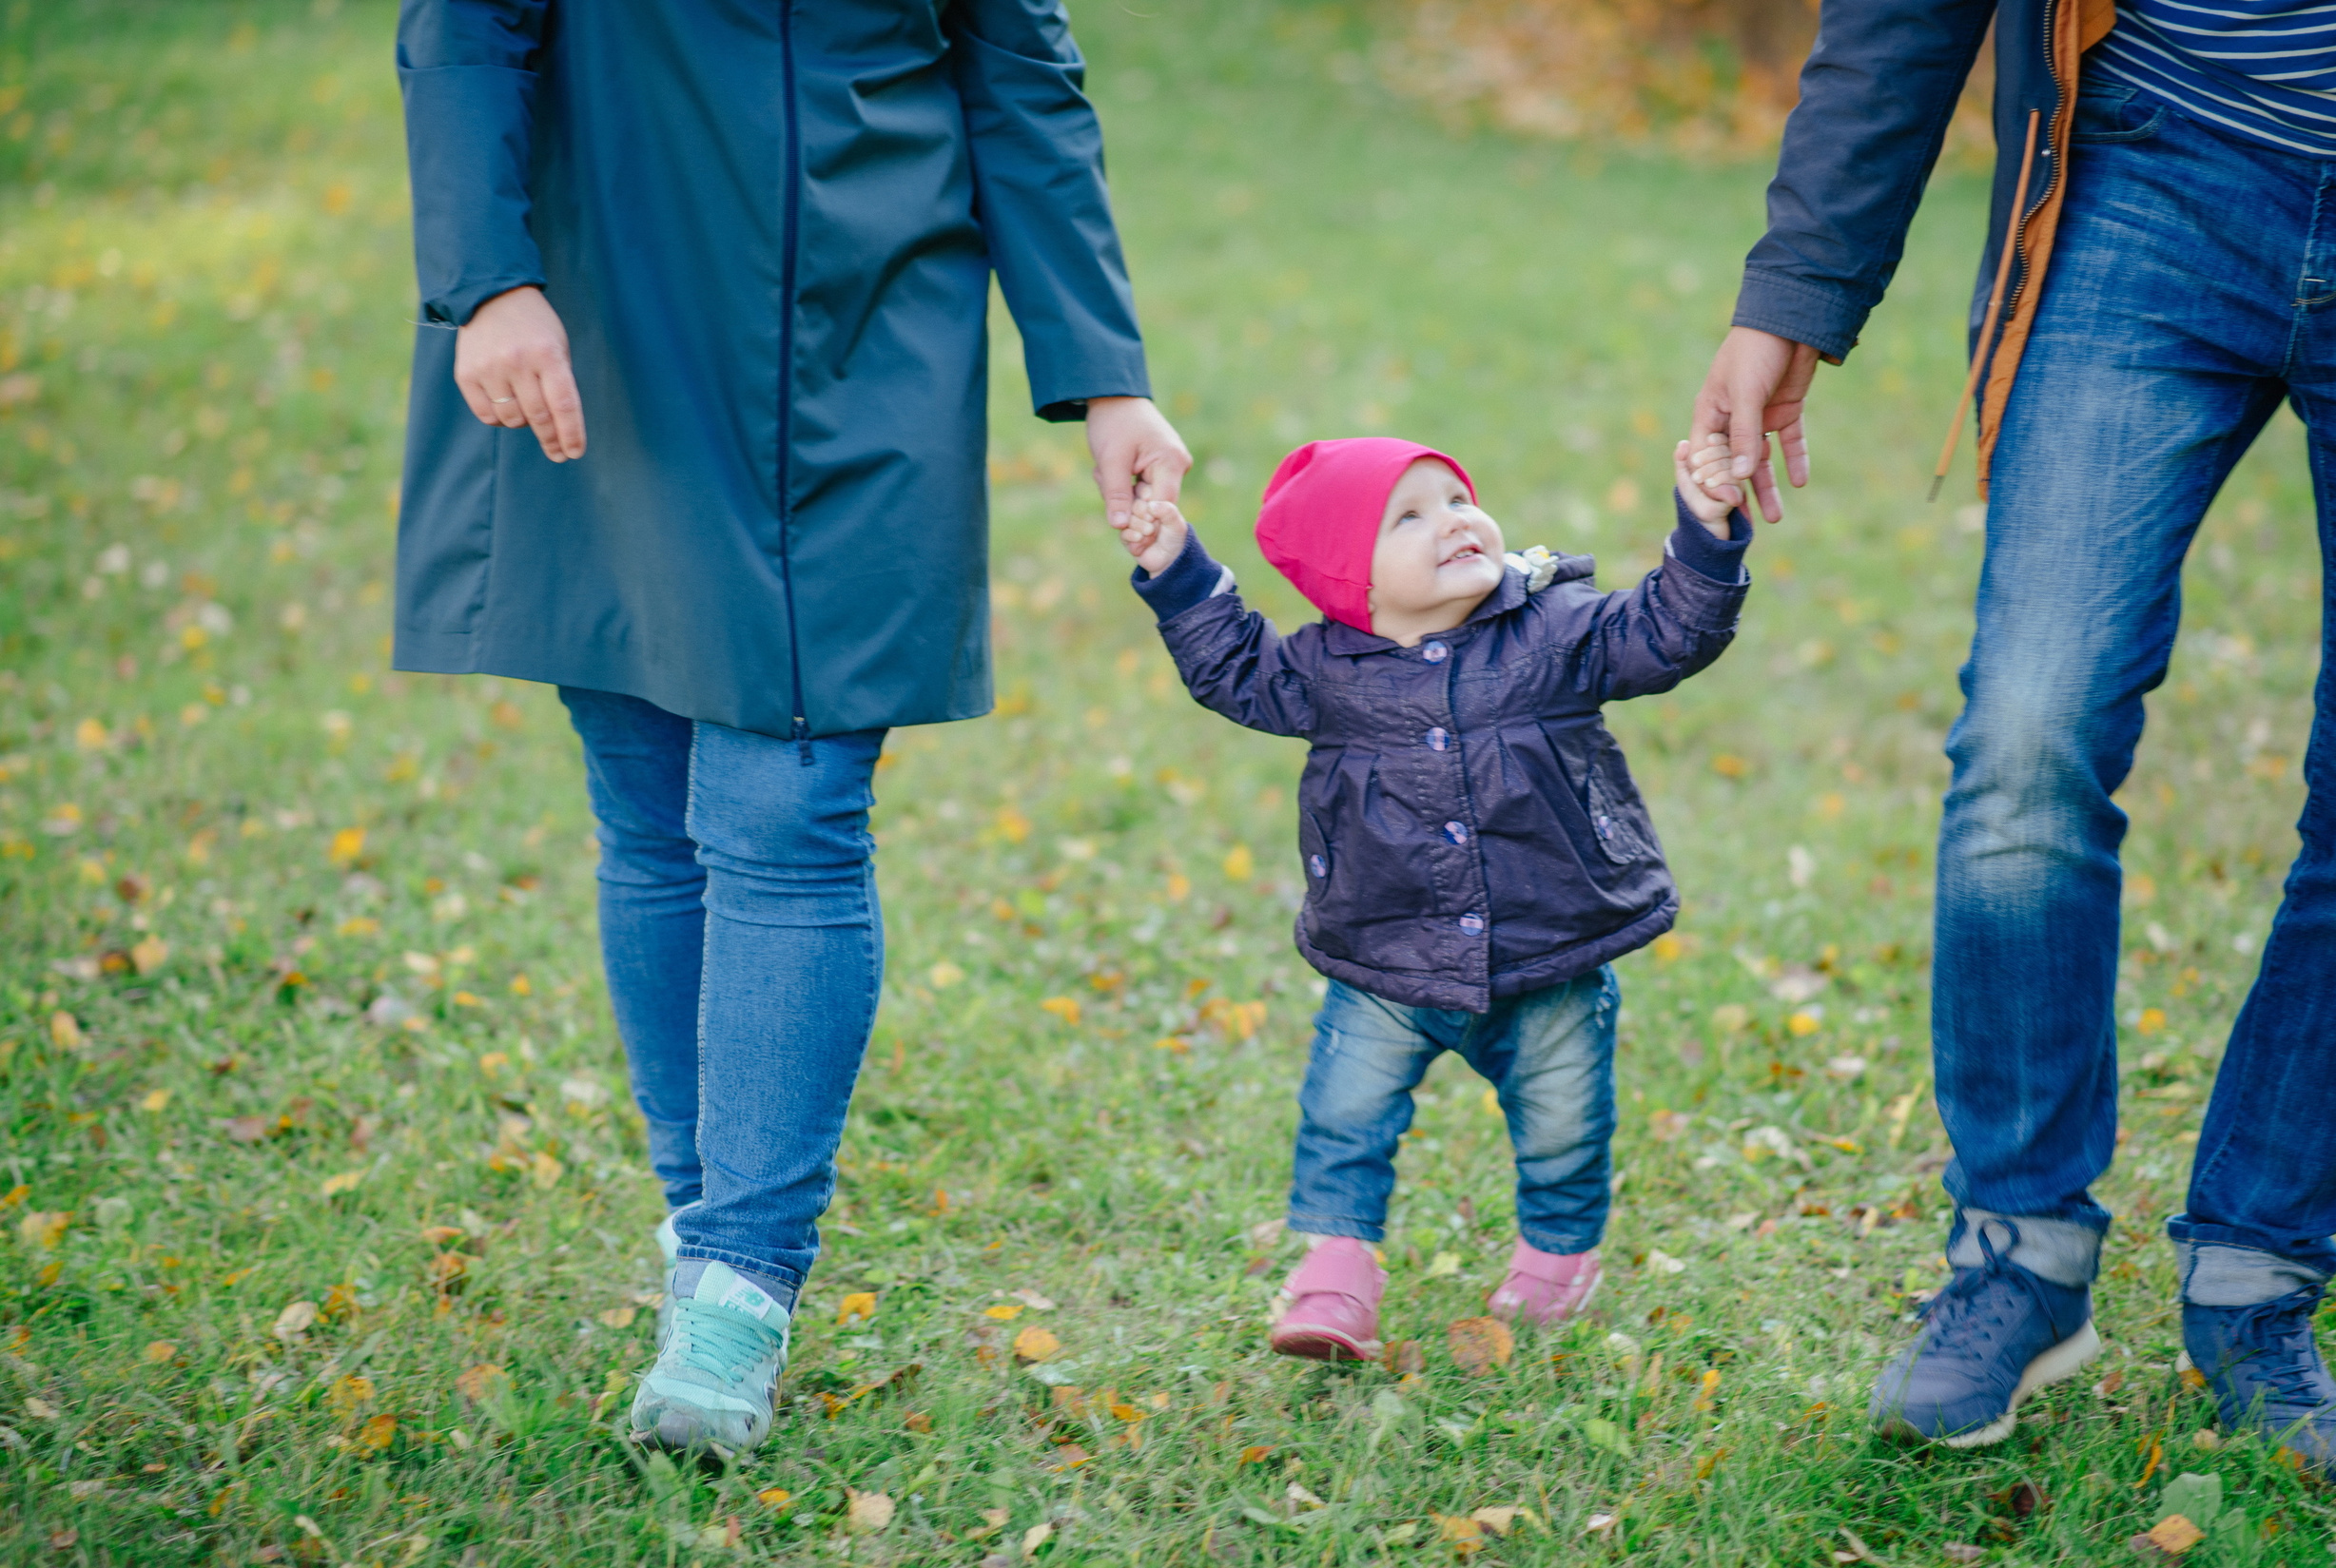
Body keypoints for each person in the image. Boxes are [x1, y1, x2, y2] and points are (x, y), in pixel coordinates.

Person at [392, 1, 1189, 1453]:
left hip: (868, 335)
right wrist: (489, 278)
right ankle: (702, 1232)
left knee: (792, 808)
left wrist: (1107, 373)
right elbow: (466, 27)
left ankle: (743, 1285)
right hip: (604, 306)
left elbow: (1016, 68)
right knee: (649, 804)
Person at [1687, 0, 2336, 1472]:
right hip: (2145, 182)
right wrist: (1794, 293)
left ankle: (2255, 1279)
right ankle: (2019, 1261)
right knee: (2029, 737)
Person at [1115, 434, 1751, 1358]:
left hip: (1550, 950)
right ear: (1350, 583)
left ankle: (1557, 1256)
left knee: (1565, 1121)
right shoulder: (1325, 670)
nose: (1453, 521)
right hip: (1383, 958)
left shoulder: (1555, 628)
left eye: (1454, 497)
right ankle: (1333, 1276)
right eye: (1406, 517)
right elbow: (1231, 664)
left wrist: (1705, 531)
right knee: (1343, 1117)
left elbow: (1667, 630)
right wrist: (1176, 569)